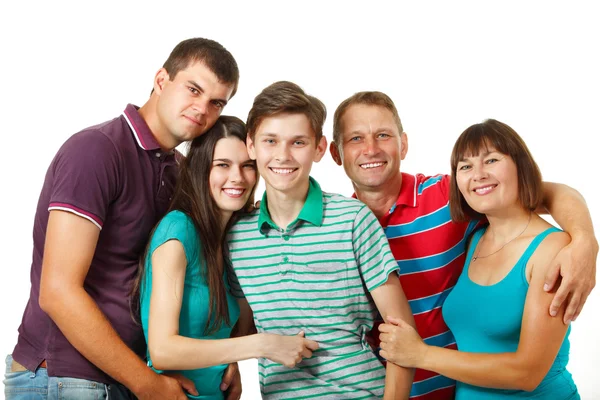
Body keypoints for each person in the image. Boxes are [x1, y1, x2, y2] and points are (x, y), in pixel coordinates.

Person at [5, 38, 240, 400]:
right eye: (193, 89)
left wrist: (221, 357)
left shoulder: (179, 171)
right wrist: (147, 384)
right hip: (65, 377)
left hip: (126, 376)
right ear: (161, 80)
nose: (202, 109)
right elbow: (58, 291)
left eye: (216, 102)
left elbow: (185, 283)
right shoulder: (97, 150)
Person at [329, 91, 597, 399]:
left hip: (452, 389)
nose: (371, 149)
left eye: (383, 135)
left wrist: (585, 240)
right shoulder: (340, 228)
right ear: (337, 153)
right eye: (356, 139)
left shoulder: (450, 198)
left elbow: (546, 193)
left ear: (403, 143)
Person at [227, 81, 416, 399]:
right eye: (270, 141)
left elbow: (402, 334)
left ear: (318, 148)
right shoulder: (237, 236)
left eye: (297, 142)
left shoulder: (353, 220)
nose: (283, 156)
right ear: (251, 145)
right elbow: (244, 328)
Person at [378, 118, 580, 399]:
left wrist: (420, 354)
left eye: (492, 160)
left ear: (521, 166)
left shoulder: (552, 248)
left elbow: (527, 372)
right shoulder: (474, 239)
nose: (478, 174)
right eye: (465, 166)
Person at [137, 116, 319, 400]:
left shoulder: (232, 239)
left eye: (247, 166)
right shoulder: (178, 231)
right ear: (200, 169)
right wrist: (261, 345)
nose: (237, 177)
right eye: (222, 165)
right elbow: (162, 350)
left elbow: (222, 335)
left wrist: (230, 358)